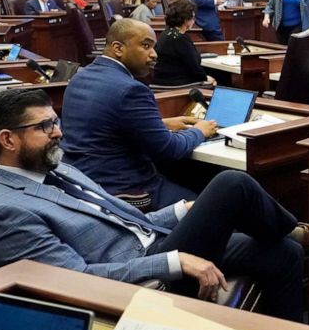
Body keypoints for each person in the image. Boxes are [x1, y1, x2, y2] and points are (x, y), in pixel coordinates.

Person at [0, 87, 309, 320]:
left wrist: (177, 212)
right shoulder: (4, 212)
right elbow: (77, 280)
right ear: (8, 140)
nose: (58, 132)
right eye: (44, 127)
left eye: (56, 120)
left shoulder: (56, 167)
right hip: (141, 280)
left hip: (155, 241)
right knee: (231, 184)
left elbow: (124, 218)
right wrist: (176, 261)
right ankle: (303, 232)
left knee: (282, 252)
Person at [59, 18, 209, 204]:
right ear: (118, 48)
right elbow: (169, 149)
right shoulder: (131, 90)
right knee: (207, 202)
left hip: (81, 183)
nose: (154, 54)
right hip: (124, 190)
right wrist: (199, 131)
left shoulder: (79, 78)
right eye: (146, 46)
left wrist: (161, 124)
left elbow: (99, 127)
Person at [153, 0, 213, 87]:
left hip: (163, 82)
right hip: (178, 85)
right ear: (186, 19)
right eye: (193, 17)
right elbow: (195, 67)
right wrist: (206, 78)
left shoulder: (165, 33)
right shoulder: (180, 38)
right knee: (221, 81)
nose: (194, 20)